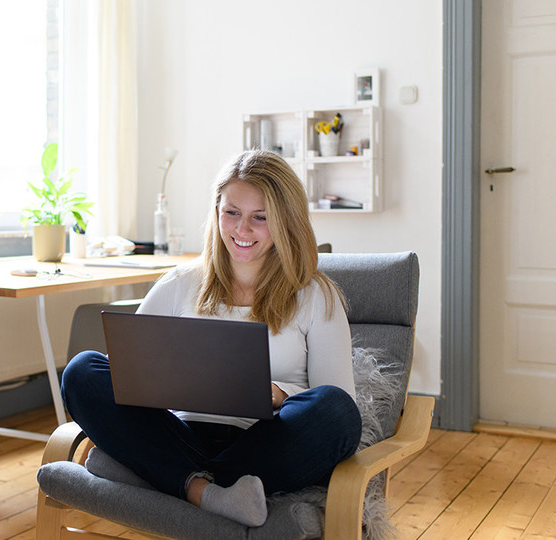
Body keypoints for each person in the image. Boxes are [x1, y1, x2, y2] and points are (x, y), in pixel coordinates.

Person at [60, 149, 362, 527]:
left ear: (286, 221)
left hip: (263, 444)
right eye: (231, 212)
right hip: (178, 433)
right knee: (82, 371)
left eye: (260, 218)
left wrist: (281, 396)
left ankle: (159, 475)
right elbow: (129, 374)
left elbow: (340, 403)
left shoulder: (316, 295)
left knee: (336, 411)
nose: (242, 229)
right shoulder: (180, 283)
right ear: (216, 210)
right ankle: (210, 491)